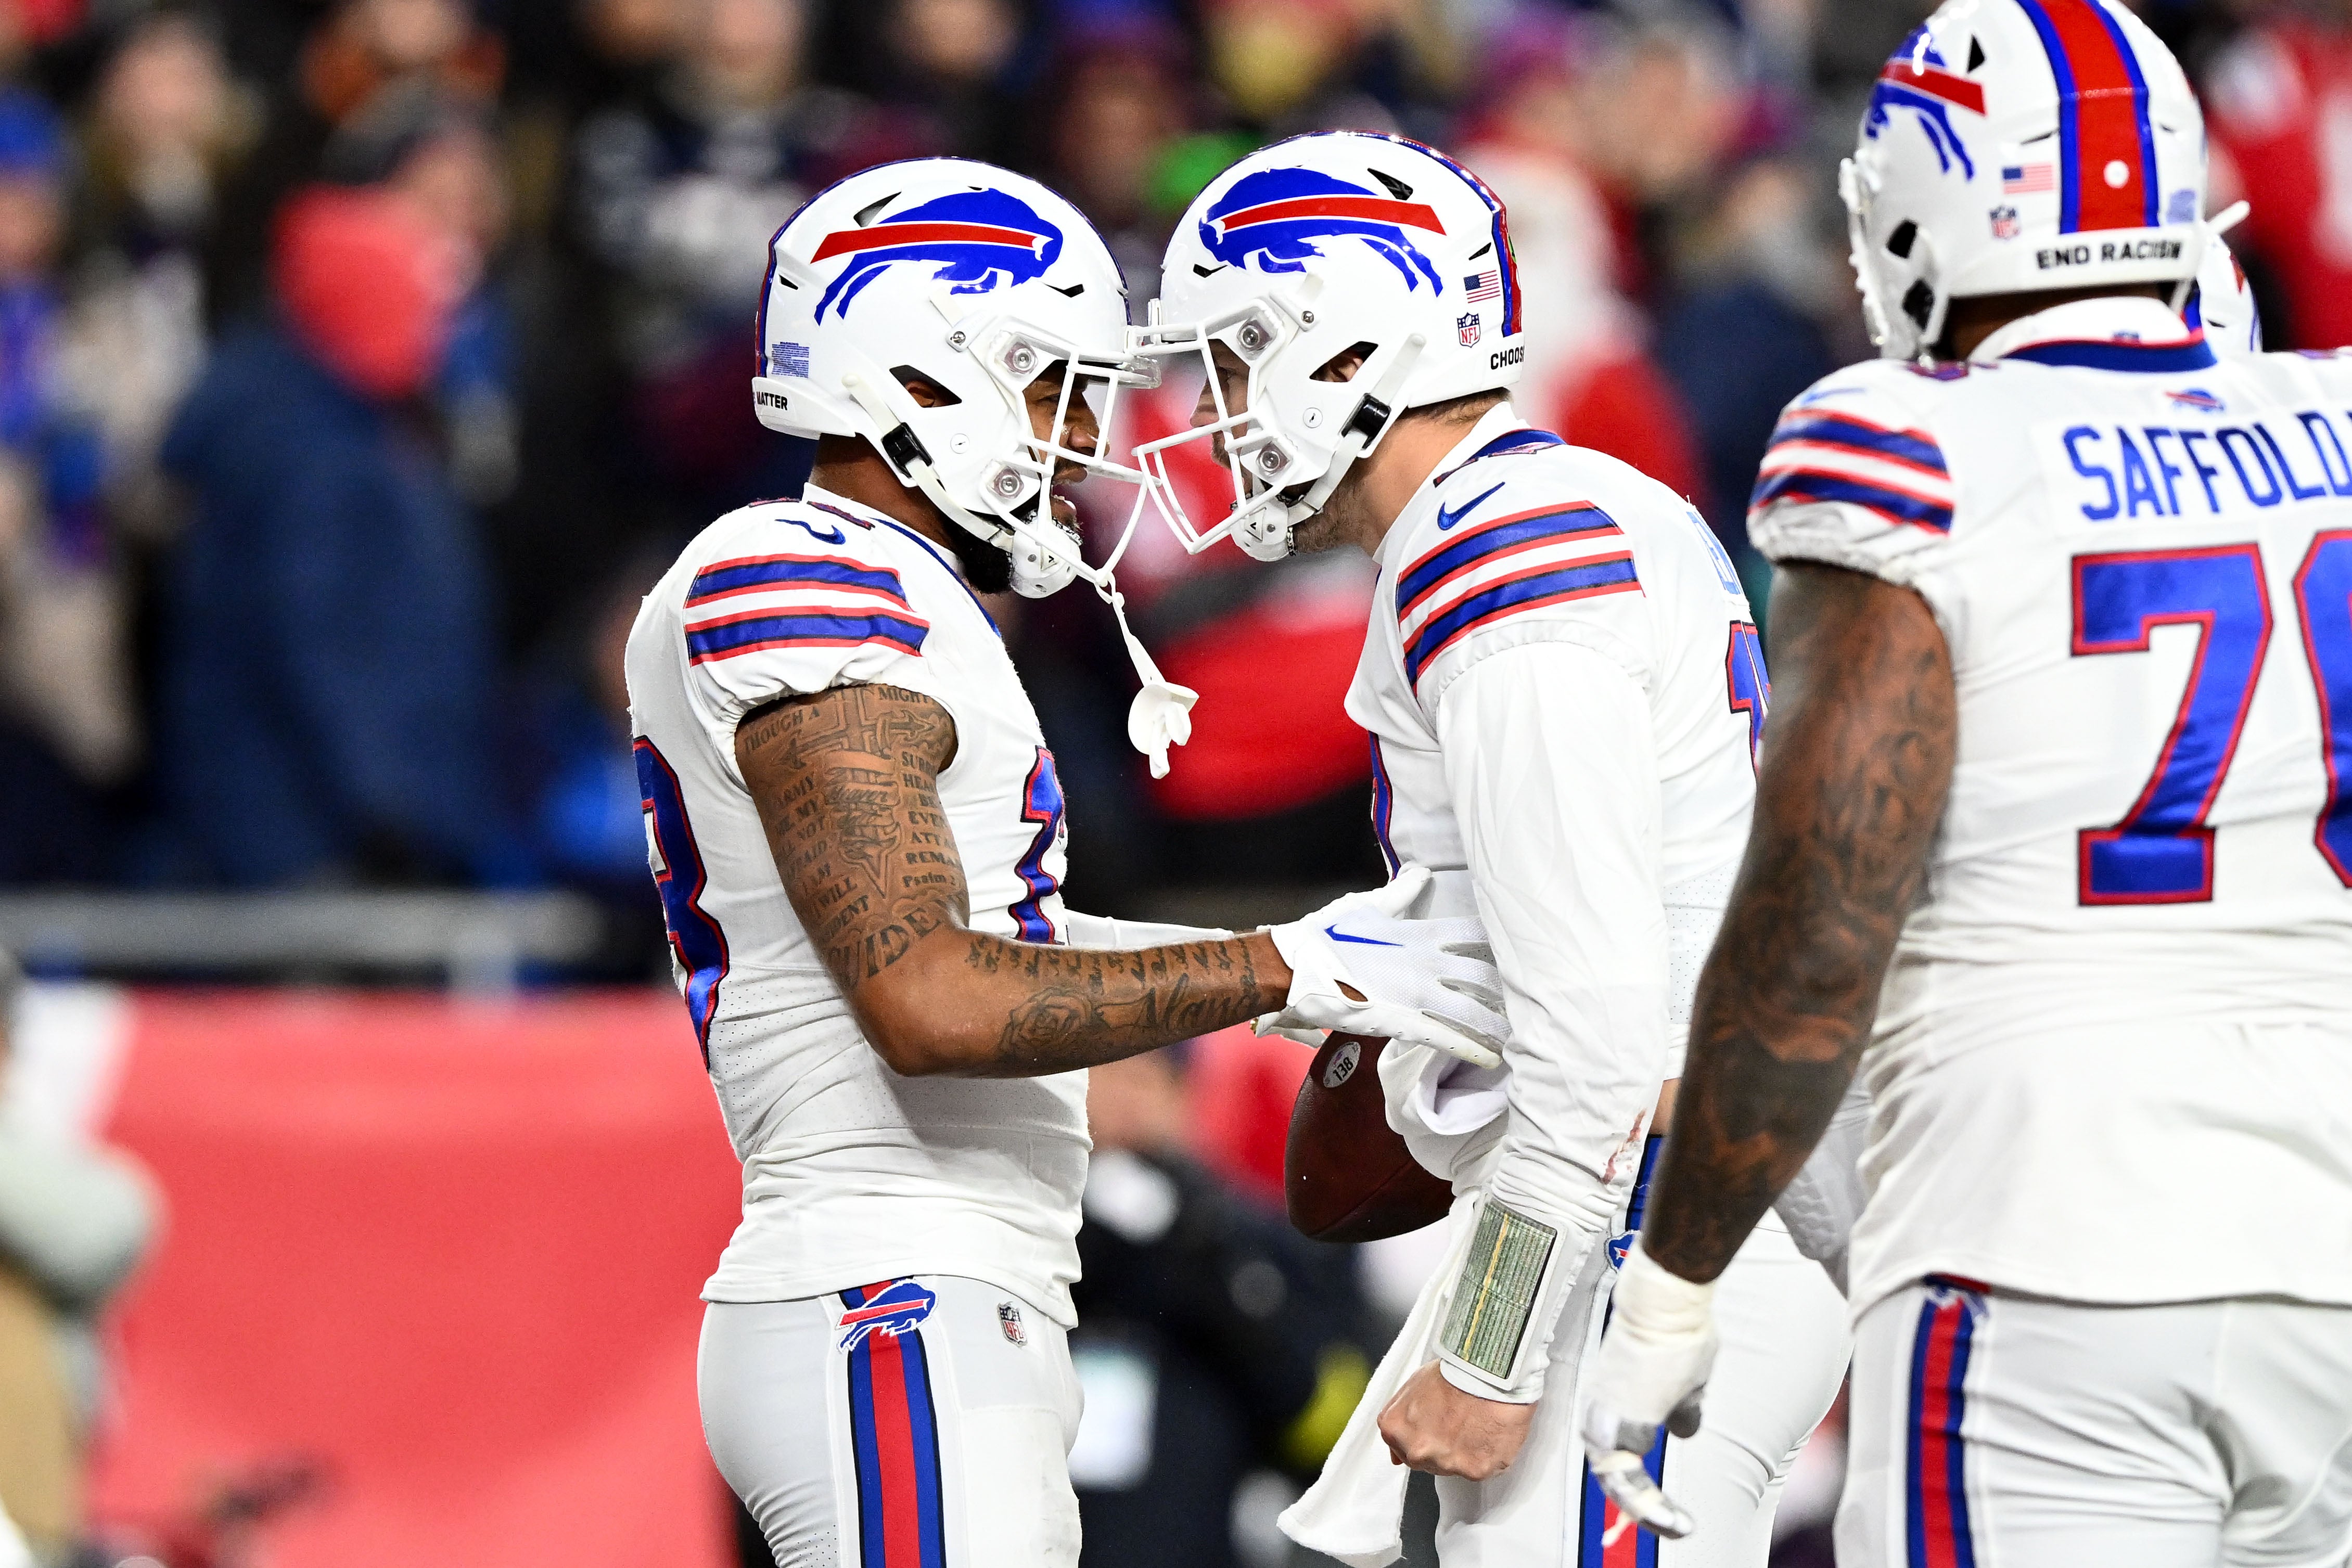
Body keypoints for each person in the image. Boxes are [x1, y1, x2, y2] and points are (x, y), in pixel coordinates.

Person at [625, 156, 1510, 1568]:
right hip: (887, 1290)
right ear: (911, 371)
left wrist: (1312, 973)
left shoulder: (898, 596)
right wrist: (1289, 960)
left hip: (947, 1289)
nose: (1086, 433)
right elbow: (931, 999)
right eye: (1051, 384)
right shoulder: (800, 572)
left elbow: (994, 945)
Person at [1582, 6, 2352, 1567]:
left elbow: (1816, 929)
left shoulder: (1911, 447)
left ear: (1922, 205)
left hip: (2047, 1239)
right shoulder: (2335, 416)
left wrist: (1676, 1278)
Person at [1128, 131, 1849, 1566]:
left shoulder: (1504, 553)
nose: (1207, 415)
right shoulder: (1556, 511)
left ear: (1345, 351)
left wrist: (1490, 1350)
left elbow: (1590, 1025)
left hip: (1650, 1212)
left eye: (1233, 359)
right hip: (1672, 1190)